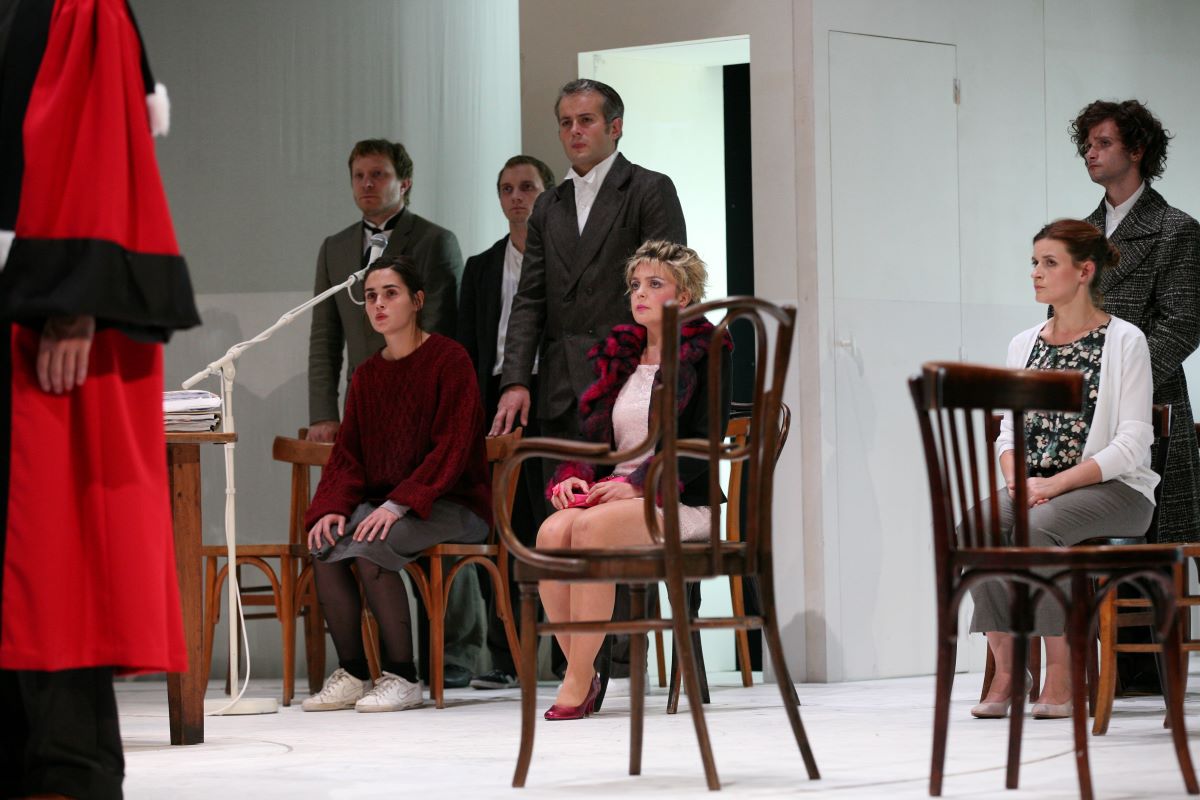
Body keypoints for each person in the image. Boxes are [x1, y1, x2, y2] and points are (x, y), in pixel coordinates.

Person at [0, 0, 200, 795]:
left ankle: (66, 773)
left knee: (56, 570)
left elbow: (97, 145)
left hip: (43, 321)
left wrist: (72, 301)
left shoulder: (79, 6)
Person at [492, 78, 687, 686]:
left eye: (586, 120)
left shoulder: (647, 189)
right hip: (560, 383)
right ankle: (580, 666)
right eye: (566, 122)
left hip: (628, 381)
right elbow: (530, 299)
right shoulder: (548, 206)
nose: (575, 131)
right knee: (562, 516)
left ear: (614, 126)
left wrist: (654, 368)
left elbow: (669, 284)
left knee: (610, 518)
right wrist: (516, 379)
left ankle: (623, 664)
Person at [307, 138, 482, 687]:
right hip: (384, 459)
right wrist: (332, 504)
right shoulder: (366, 372)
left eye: (378, 174)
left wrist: (401, 499)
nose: (379, 304)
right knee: (329, 542)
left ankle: (413, 671)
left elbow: (452, 444)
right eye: (372, 296)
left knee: (375, 542)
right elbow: (325, 339)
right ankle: (355, 671)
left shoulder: (446, 352)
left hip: (440, 478)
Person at [534, 241, 731, 720]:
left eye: (654, 283)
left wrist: (642, 484)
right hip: (618, 496)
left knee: (588, 529)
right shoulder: (620, 354)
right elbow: (593, 440)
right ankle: (585, 673)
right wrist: (574, 478)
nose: (639, 293)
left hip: (679, 498)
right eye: (635, 284)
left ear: (684, 296)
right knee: (551, 532)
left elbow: (703, 442)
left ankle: (576, 681)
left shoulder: (707, 351)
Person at [970, 220, 1157, 721]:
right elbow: (1008, 434)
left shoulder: (1125, 340)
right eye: (1034, 262)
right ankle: (1011, 671)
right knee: (978, 524)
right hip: (1037, 486)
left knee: (1038, 526)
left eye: (1049, 263)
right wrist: (1018, 480)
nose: (1036, 272)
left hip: (1114, 489)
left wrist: (1054, 485)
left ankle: (1064, 671)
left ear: (1084, 271)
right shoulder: (1023, 343)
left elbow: (1132, 443)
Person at [1070, 99, 1200, 544]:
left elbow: (1182, 325)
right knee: (1075, 545)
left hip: (1150, 405)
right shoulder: (1079, 235)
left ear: (1137, 149)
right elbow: (1059, 319)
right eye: (1087, 145)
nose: (1091, 153)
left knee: (1153, 557)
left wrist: (1120, 384)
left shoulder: (1175, 228)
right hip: (1085, 411)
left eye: (1104, 143)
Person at [457, 154, 565, 689]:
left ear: (548, 194)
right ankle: (506, 656)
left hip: (554, 394)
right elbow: (468, 346)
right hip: (497, 400)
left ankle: (571, 656)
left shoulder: (565, 258)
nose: (516, 197)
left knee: (557, 522)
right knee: (504, 527)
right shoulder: (480, 267)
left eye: (527, 187)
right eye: (506, 188)